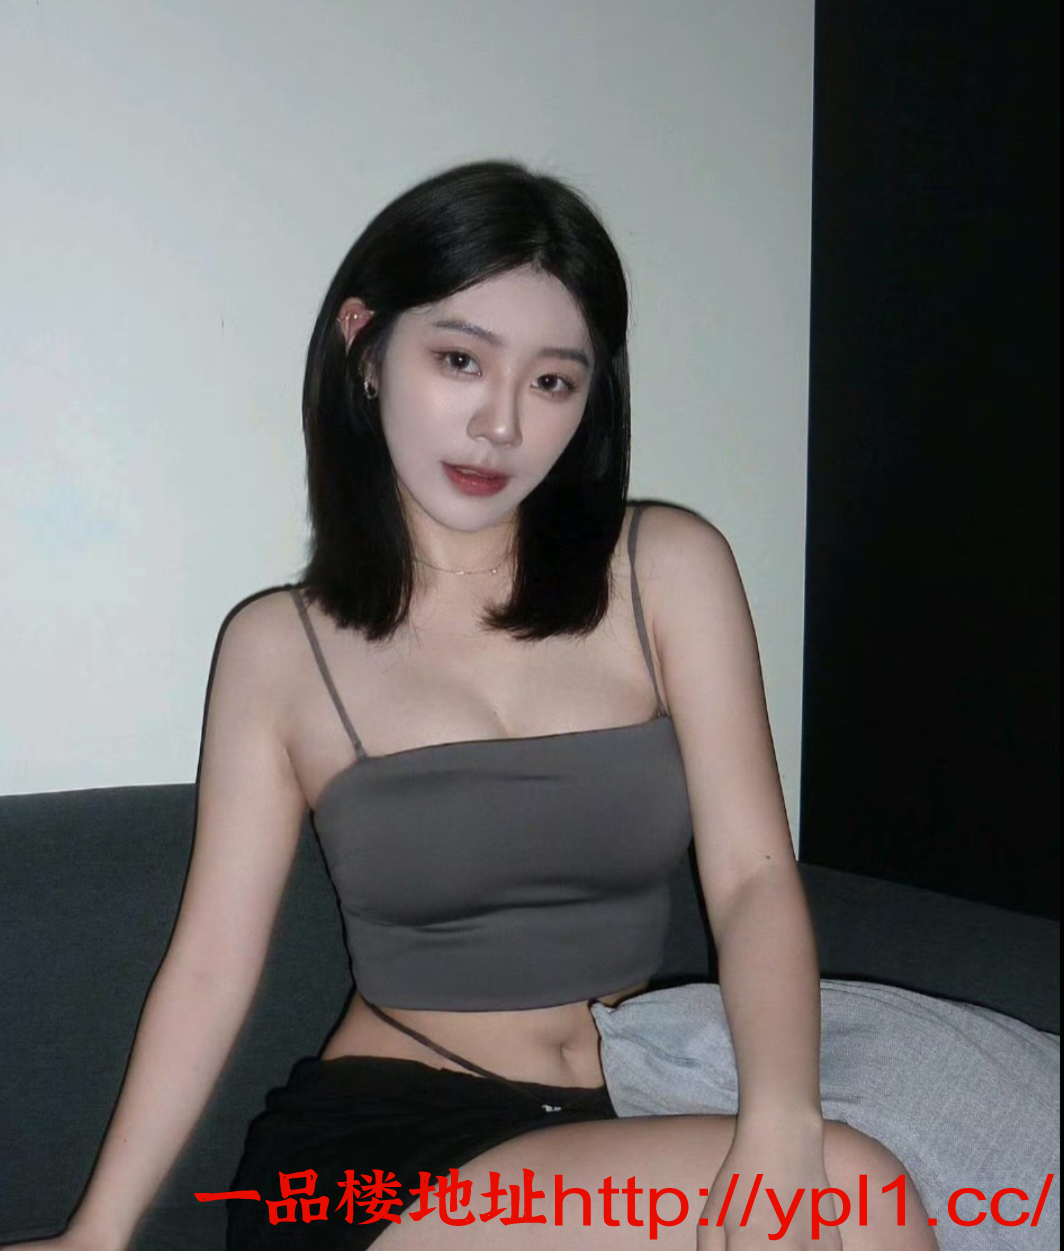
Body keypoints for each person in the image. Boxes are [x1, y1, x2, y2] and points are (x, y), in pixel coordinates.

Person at [7, 161, 939, 1251]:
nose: (500, 425)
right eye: (459, 360)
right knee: (858, 1197)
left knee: (828, 1190)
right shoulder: (278, 649)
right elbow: (212, 964)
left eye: (552, 381)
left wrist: (780, 1114)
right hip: (381, 1151)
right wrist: (99, 1233)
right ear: (366, 347)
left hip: (630, 1112)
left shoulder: (669, 569)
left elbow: (751, 877)